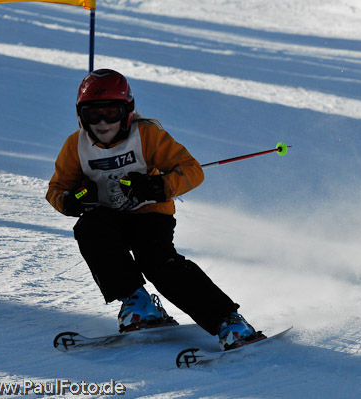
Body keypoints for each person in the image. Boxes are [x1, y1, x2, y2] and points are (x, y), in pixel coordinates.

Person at [46, 69, 264, 350]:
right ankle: (138, 303)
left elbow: (192, 171)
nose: (102, 123)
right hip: (107, 216)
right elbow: (56, 189)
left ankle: (228, 321)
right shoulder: (75, 146)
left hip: (150, 215)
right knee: (89, 229)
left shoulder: (147, 135)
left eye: (111, 113)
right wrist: (70, 201)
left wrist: (159, 186)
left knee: (157, 262)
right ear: (80, 115)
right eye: (92, 114)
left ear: (127, 111)